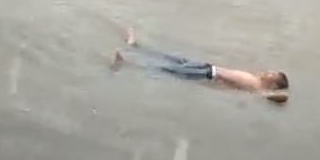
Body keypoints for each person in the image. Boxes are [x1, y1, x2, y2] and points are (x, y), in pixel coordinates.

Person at [112, 28, 289, 103]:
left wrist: (274, 91)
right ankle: (134, 46)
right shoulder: (256, 79)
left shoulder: (259, 89)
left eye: (273, 74)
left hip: (206, 74)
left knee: (169, 70)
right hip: (208, 67)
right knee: (169, 58)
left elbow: (280, 97)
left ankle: (128, 62)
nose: (269, 72)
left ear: (274, 84)